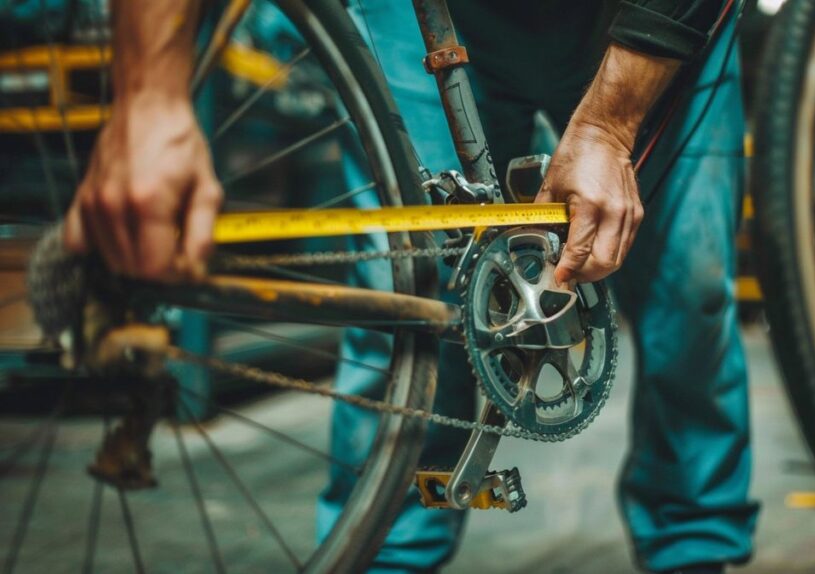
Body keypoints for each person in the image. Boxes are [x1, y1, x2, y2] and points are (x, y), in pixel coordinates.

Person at [65, 1, 759, 572]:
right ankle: (387, 552)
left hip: (650, 18)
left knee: (688, 293)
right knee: (407, 297)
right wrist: (148, 102)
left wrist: (610, 125)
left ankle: (692, 549)